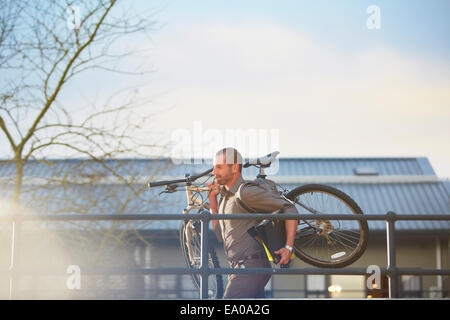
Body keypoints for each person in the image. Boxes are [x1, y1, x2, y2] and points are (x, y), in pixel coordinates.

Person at [207, 147, 298, 299]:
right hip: (240, 269)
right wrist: (212, 201)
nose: (213, 172)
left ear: (235, 167)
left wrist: (288, 247)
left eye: (219, 167)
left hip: (250, 266)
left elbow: (289, 208)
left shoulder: (245, 192)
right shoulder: (224, 198)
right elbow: (219, 235)